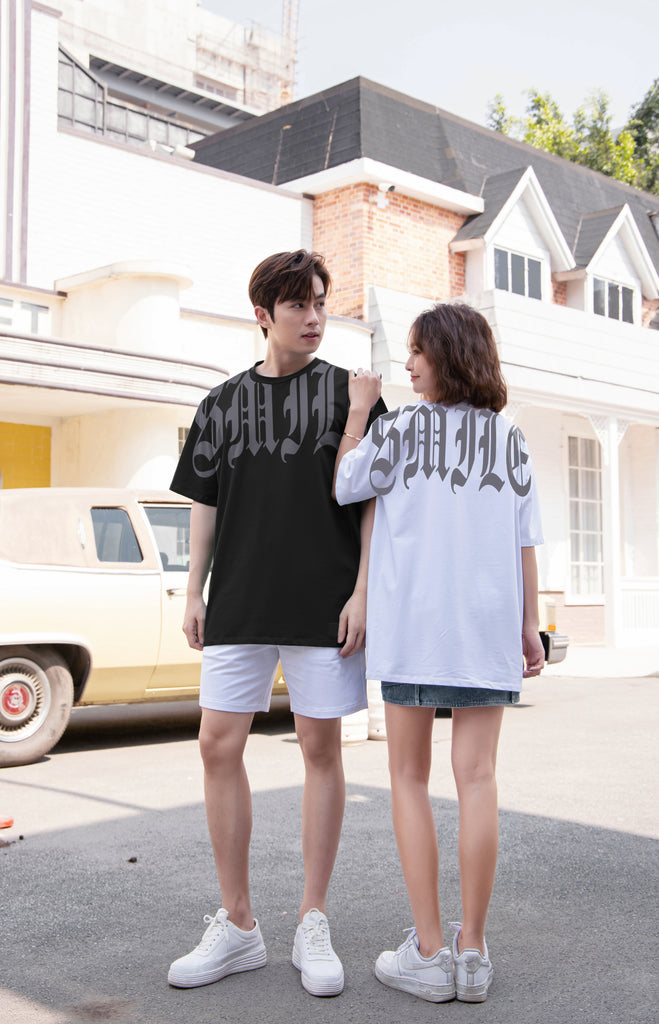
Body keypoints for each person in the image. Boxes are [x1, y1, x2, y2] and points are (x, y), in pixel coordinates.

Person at [167, 249, 385, 998]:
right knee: (216, 744)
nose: (314, 316)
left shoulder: (352, 394)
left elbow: (373, 505)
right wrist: (193, 590)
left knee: (321, 749)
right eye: (298, 304)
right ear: (263, 315)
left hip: (325, 600)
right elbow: (204, 504)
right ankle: (237, 923)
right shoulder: (220, 403)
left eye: (320, 302)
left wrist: (363, 590)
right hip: (240, 599)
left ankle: (312, 919)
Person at [333, 301, 545, 1004]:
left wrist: (358, 411)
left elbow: (344, 483)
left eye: (417, 352)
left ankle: (428, 950)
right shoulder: (510, 437)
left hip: (415, 631)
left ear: (447, 354)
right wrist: (528, 625)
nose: (408, 364)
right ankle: (473, 952)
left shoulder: (398, 429)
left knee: (406, 777)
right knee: (478, 779)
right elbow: (524, 538)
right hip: (486, 630)